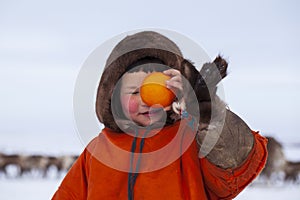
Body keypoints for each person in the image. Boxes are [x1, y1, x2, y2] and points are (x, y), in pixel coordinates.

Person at [52, 31, 268, 200]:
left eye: (159, 89)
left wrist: (207, 114)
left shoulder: (190, 139)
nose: (148, 100)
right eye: (136, 92)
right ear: (113, 97)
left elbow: (236, 169)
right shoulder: (97, 151)